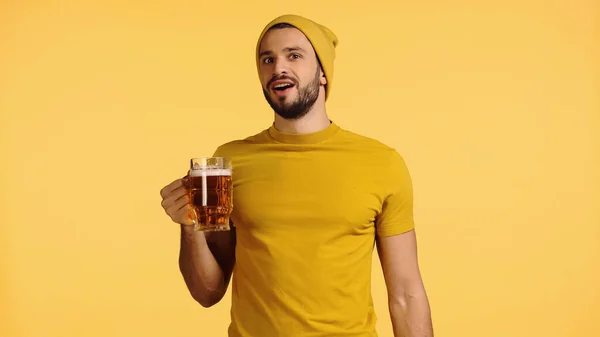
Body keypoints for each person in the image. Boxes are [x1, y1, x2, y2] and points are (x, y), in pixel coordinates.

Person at [160, 14, 434, 337]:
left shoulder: (381, 163)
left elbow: (405, 295)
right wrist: (189, 226)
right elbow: (208, 291)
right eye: (268, 59)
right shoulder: (229, 162)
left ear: (322, 74)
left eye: (294, 55)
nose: (278, 68)